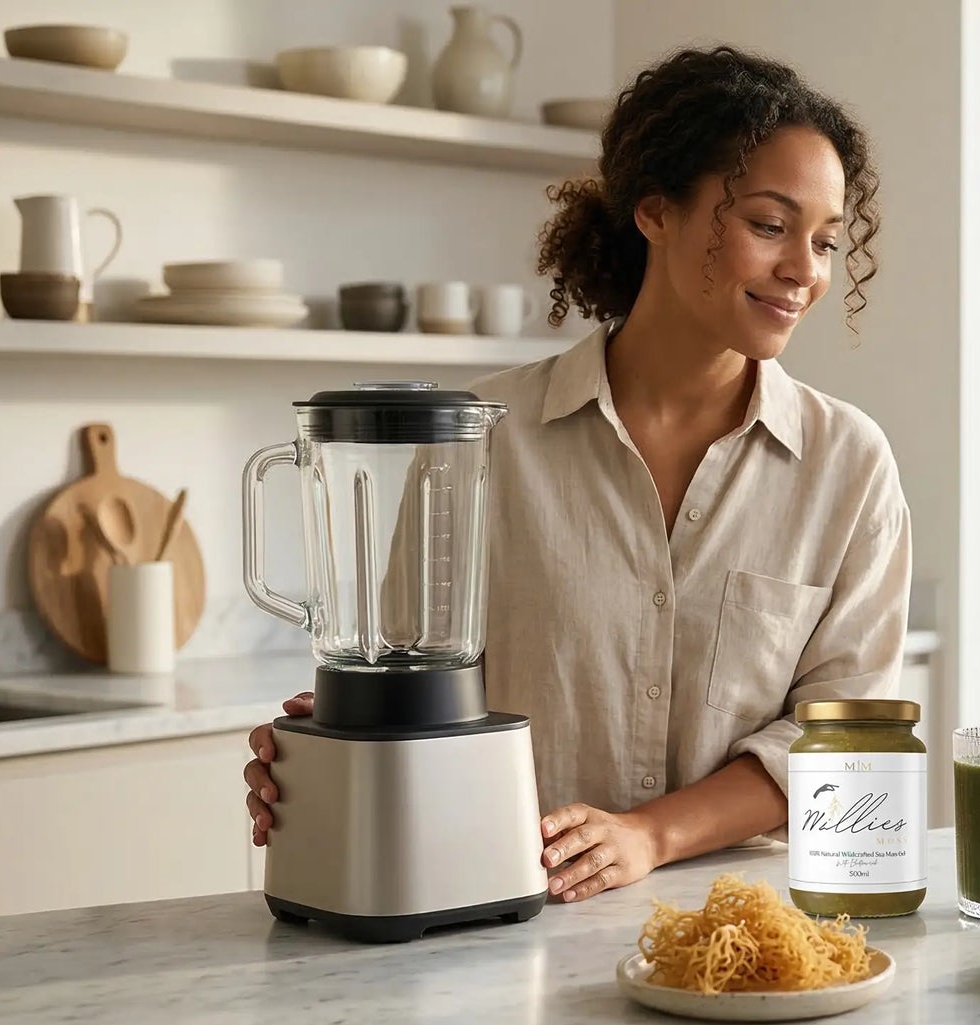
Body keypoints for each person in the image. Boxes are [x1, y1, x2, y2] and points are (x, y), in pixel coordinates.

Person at [242, 45, 911, 905]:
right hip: (504, 906)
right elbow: (417, 693)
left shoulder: (846, 466)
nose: (805, 271)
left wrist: (648, 836)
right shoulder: (478, 442)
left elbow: (842, 746)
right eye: (770, 225)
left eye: (824, 241)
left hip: (750, 934)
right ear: (656, 213)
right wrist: (330, 759)